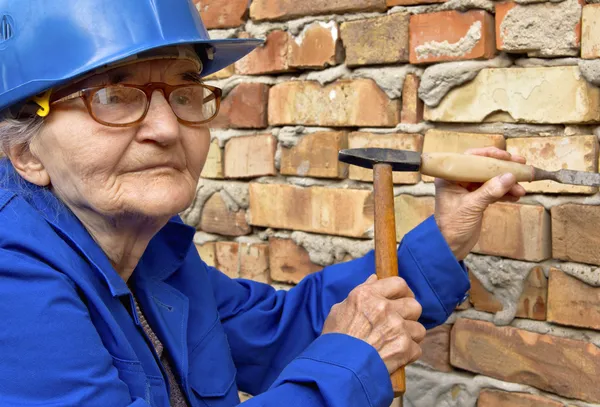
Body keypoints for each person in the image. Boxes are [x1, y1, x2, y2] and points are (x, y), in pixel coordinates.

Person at [0, 1, 526, 406]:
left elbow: (280, 330)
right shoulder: (12, 282)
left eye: (183, 94)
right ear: (24, 153)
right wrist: (347, 365)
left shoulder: (153, 255)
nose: (165, 128)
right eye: (113, 97)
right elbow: (341, 344)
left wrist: (446, 234)